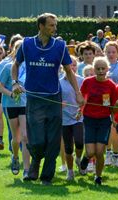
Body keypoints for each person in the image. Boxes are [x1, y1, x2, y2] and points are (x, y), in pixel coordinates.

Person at [12, 13, 84, 185]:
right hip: (34, 99)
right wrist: (15, 83)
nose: (55, 28)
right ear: (41, 26)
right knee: (37, 140)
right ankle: (36, 161)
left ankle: (47, 177)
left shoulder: (60, 46)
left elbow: (68, 70)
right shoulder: (27, 44)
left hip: (54, 97)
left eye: (55, 25)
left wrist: (78, 92)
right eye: (51, 25)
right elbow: (15, 65)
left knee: (52, 140)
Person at [78, 57, 117, 185]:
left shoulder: (111, 85)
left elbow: (112, 105)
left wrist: (114, 119)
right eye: (98, 69)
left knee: (100, 151)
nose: (100, 71)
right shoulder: (87, 82)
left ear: (107, 69)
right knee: (91, 151)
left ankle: (98, 176)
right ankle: (85, 158)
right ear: (94, 69)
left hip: (104, 121)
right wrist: (80, 111)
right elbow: (82, 98)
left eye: (103, 68)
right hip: (89, 119)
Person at [0, 40, 30, 178]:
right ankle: (15, 157)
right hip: (11, 105)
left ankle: (27, 169)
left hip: (25, 104)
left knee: (25, 136)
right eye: (19, 50)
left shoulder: (29, 68)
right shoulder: (8, 67)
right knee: (16, 138)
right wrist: (11, 93)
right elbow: (0, 87)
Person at [59, 55, 84, 181]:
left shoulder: (82, 81)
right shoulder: (59, 82)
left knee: (79, 142)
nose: (72, 67)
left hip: (78, 117)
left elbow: (86, 99)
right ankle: (70, 171)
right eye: (69, 65)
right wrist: (59, 103)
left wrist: (81, 109)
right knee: (68, 147)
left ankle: (78, 159)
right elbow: (55, 99)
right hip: (64, 118)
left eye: (74, 65)